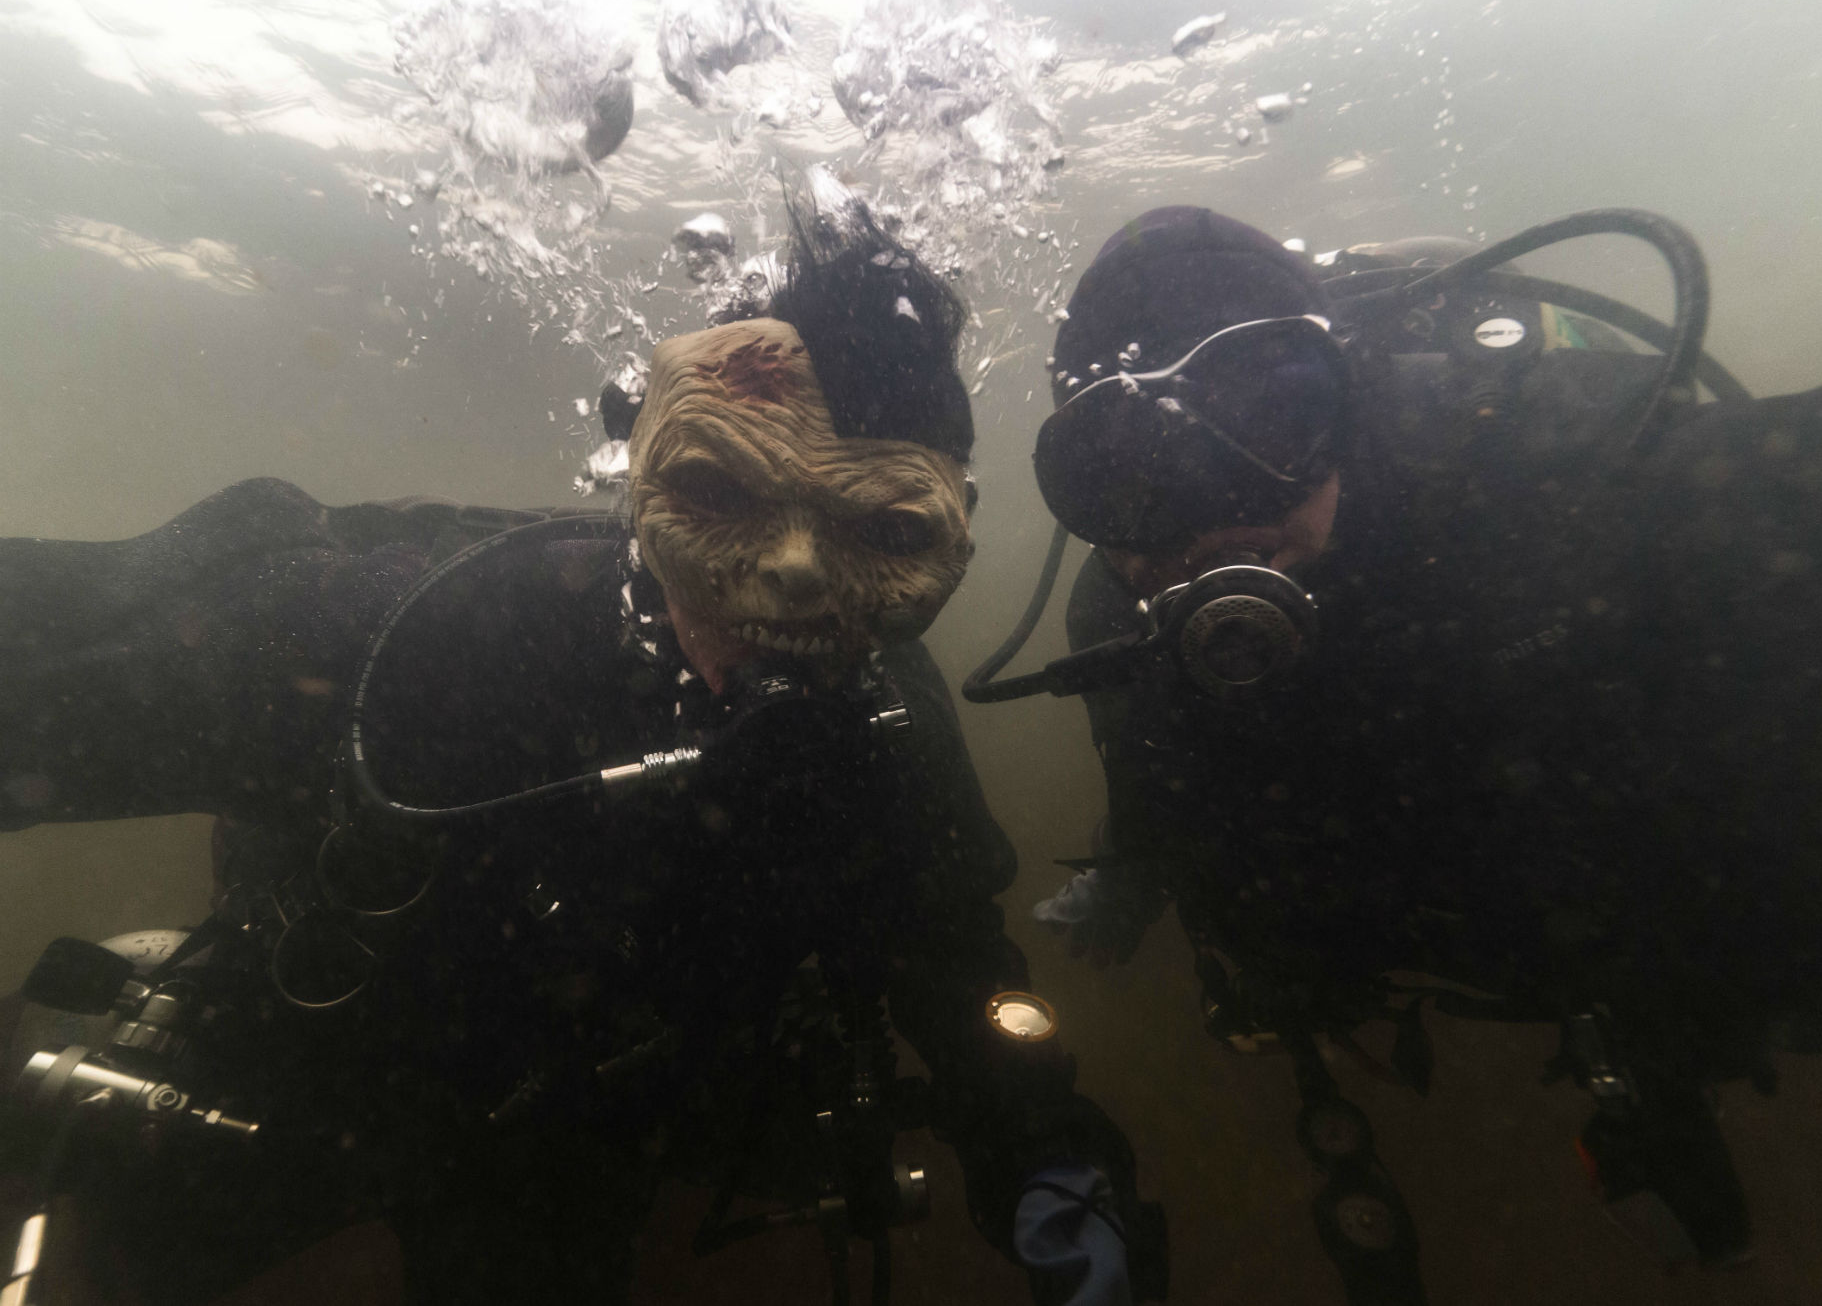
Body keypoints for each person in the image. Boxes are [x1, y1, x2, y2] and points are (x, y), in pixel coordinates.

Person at [0, 202, 1162, 1306]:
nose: (797, 576)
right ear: (637, 474)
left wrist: (1046, 1153)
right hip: (297, 1076)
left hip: (565, 1150)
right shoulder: (426, 640)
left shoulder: (879, 738)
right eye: (718, 489)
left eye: (886, 530)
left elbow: (956, 973)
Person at [976, 204, 1822, 1303]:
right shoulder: (1124, 626)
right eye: (1125, 466)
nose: (1212, 510)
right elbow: (1157, 793)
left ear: (1348, 394)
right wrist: (1128, 873)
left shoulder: (1554, 470)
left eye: (1273, 410)